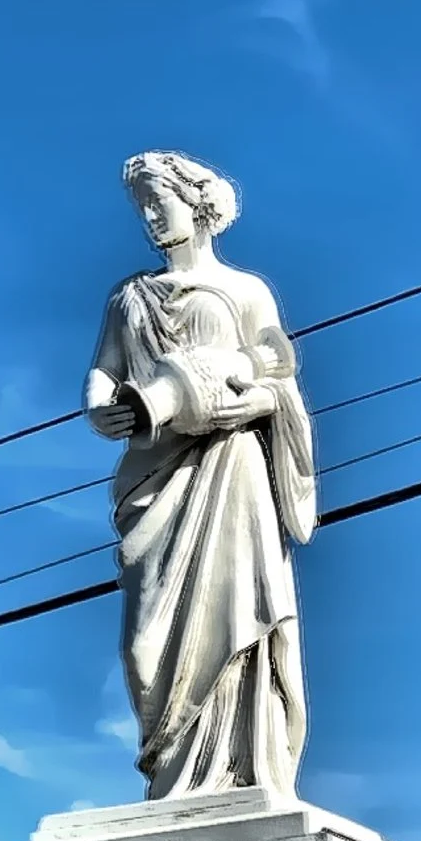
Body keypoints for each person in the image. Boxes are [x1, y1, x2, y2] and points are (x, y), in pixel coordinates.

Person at [83, 150, 316, 799]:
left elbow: (279, 379)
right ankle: (172, 773)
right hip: (154, 470)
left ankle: (239, 771)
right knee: (144, 647)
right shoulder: (129, 297)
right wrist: (103, 405)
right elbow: (105, 372)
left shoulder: (245, 290)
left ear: (198, 205)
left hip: (227, 466)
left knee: (235, 608)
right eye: (143, 210)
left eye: (161, 204)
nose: (152, 219)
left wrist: (258, 401)